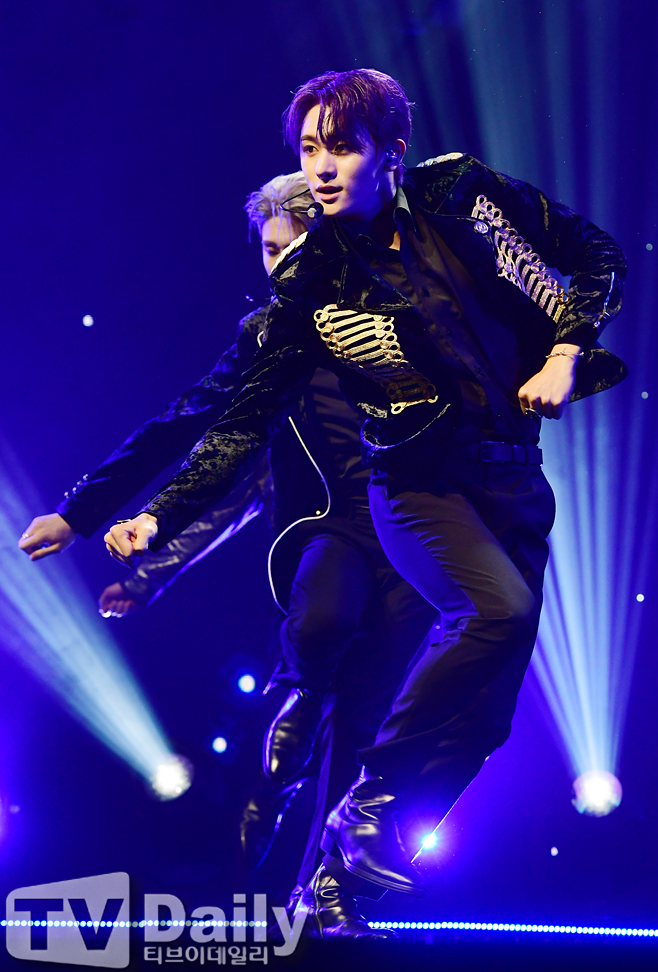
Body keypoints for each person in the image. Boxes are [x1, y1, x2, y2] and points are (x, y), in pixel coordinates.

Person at [103, 68, 627, 937]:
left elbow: (596, 253)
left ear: (392, 150)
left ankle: (333, 880)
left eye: (342, 146)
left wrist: (567, 352)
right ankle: (364, 806)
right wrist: (159, 516)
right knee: (493, 611)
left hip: (514, 481)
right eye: (310, 148)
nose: (321, 165)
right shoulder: (311, 279)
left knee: (485, 722)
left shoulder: (462, 192)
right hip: (416, 486)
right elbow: (240, 419)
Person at [19, 170, 436, 937]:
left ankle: (324, 895)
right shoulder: (269, 337)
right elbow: (197, 436)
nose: (279, 264)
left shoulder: (402, 310)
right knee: (317, 658)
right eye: (268, 250)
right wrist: (86, 516)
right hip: (325, 537)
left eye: (292, 247)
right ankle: (276, 780)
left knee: (366, 720)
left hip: (411, 539)